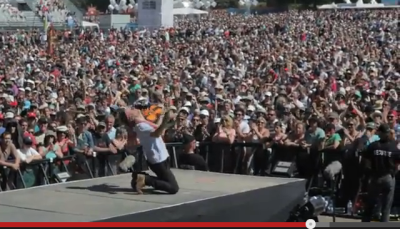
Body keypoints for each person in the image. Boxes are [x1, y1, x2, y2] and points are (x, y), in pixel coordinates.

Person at [118, 107, 179, 194]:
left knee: (165, 181)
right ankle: (144, 179)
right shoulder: (141, 126)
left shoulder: (143, 123)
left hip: (160, 157)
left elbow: (159, 129)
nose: (134, 108)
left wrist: (171, 121)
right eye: (131, 109)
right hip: (158, 160)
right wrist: (165, 121)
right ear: (131, 117)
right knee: (173, 188)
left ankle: (138, 177)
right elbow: (157, 133)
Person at [361, 123, 399, 222]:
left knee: (370, 205)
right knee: (386, 208)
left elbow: (365, 158)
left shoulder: (373, 146)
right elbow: (398, 162)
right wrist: (394, 172)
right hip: (387, 177)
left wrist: (368, 172)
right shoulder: (393, 146)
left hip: (375, 177)